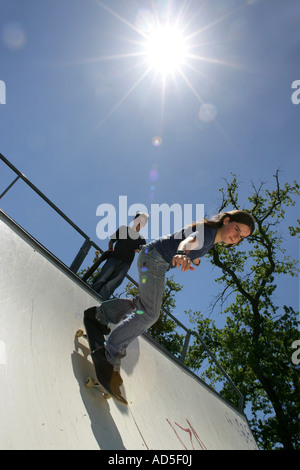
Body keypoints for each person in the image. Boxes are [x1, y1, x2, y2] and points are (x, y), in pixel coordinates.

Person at [84, 210, 255, 396]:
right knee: (150, 313)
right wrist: (182, 252)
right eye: (237, 230)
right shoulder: (208, 234)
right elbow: (188, 241)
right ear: (227, 220)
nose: (236, 237)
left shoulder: (211, 236)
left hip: (152, 256)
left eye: (241, 237)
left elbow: (191, 242)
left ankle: (99, 315)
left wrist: (192, 258)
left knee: (144, 303)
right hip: (154, 259)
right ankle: (110, 354)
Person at [92, 212, 149, 300]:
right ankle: (89, 293)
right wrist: (110, 249)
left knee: (111, 285)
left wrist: (138, 251)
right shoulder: (123, 229)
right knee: (101, 278)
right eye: (139, 220)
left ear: (144, 225)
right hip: (113, 259)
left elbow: (143, 253)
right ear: (134, 220)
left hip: (125, 265)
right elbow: (112, 240)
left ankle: (99, 302)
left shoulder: (141, 239)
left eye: (142, 222)